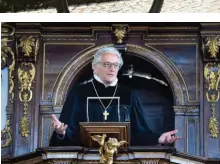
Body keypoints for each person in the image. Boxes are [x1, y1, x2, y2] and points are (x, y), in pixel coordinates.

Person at [50, 46, 180, 147]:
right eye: (107, 64)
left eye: (115, 65)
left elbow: (139, 133)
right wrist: (61, 132)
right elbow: (69, 131)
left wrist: (159, 138)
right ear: (95, 67)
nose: (112, 69)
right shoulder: (79, 93)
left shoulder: (129, 95)